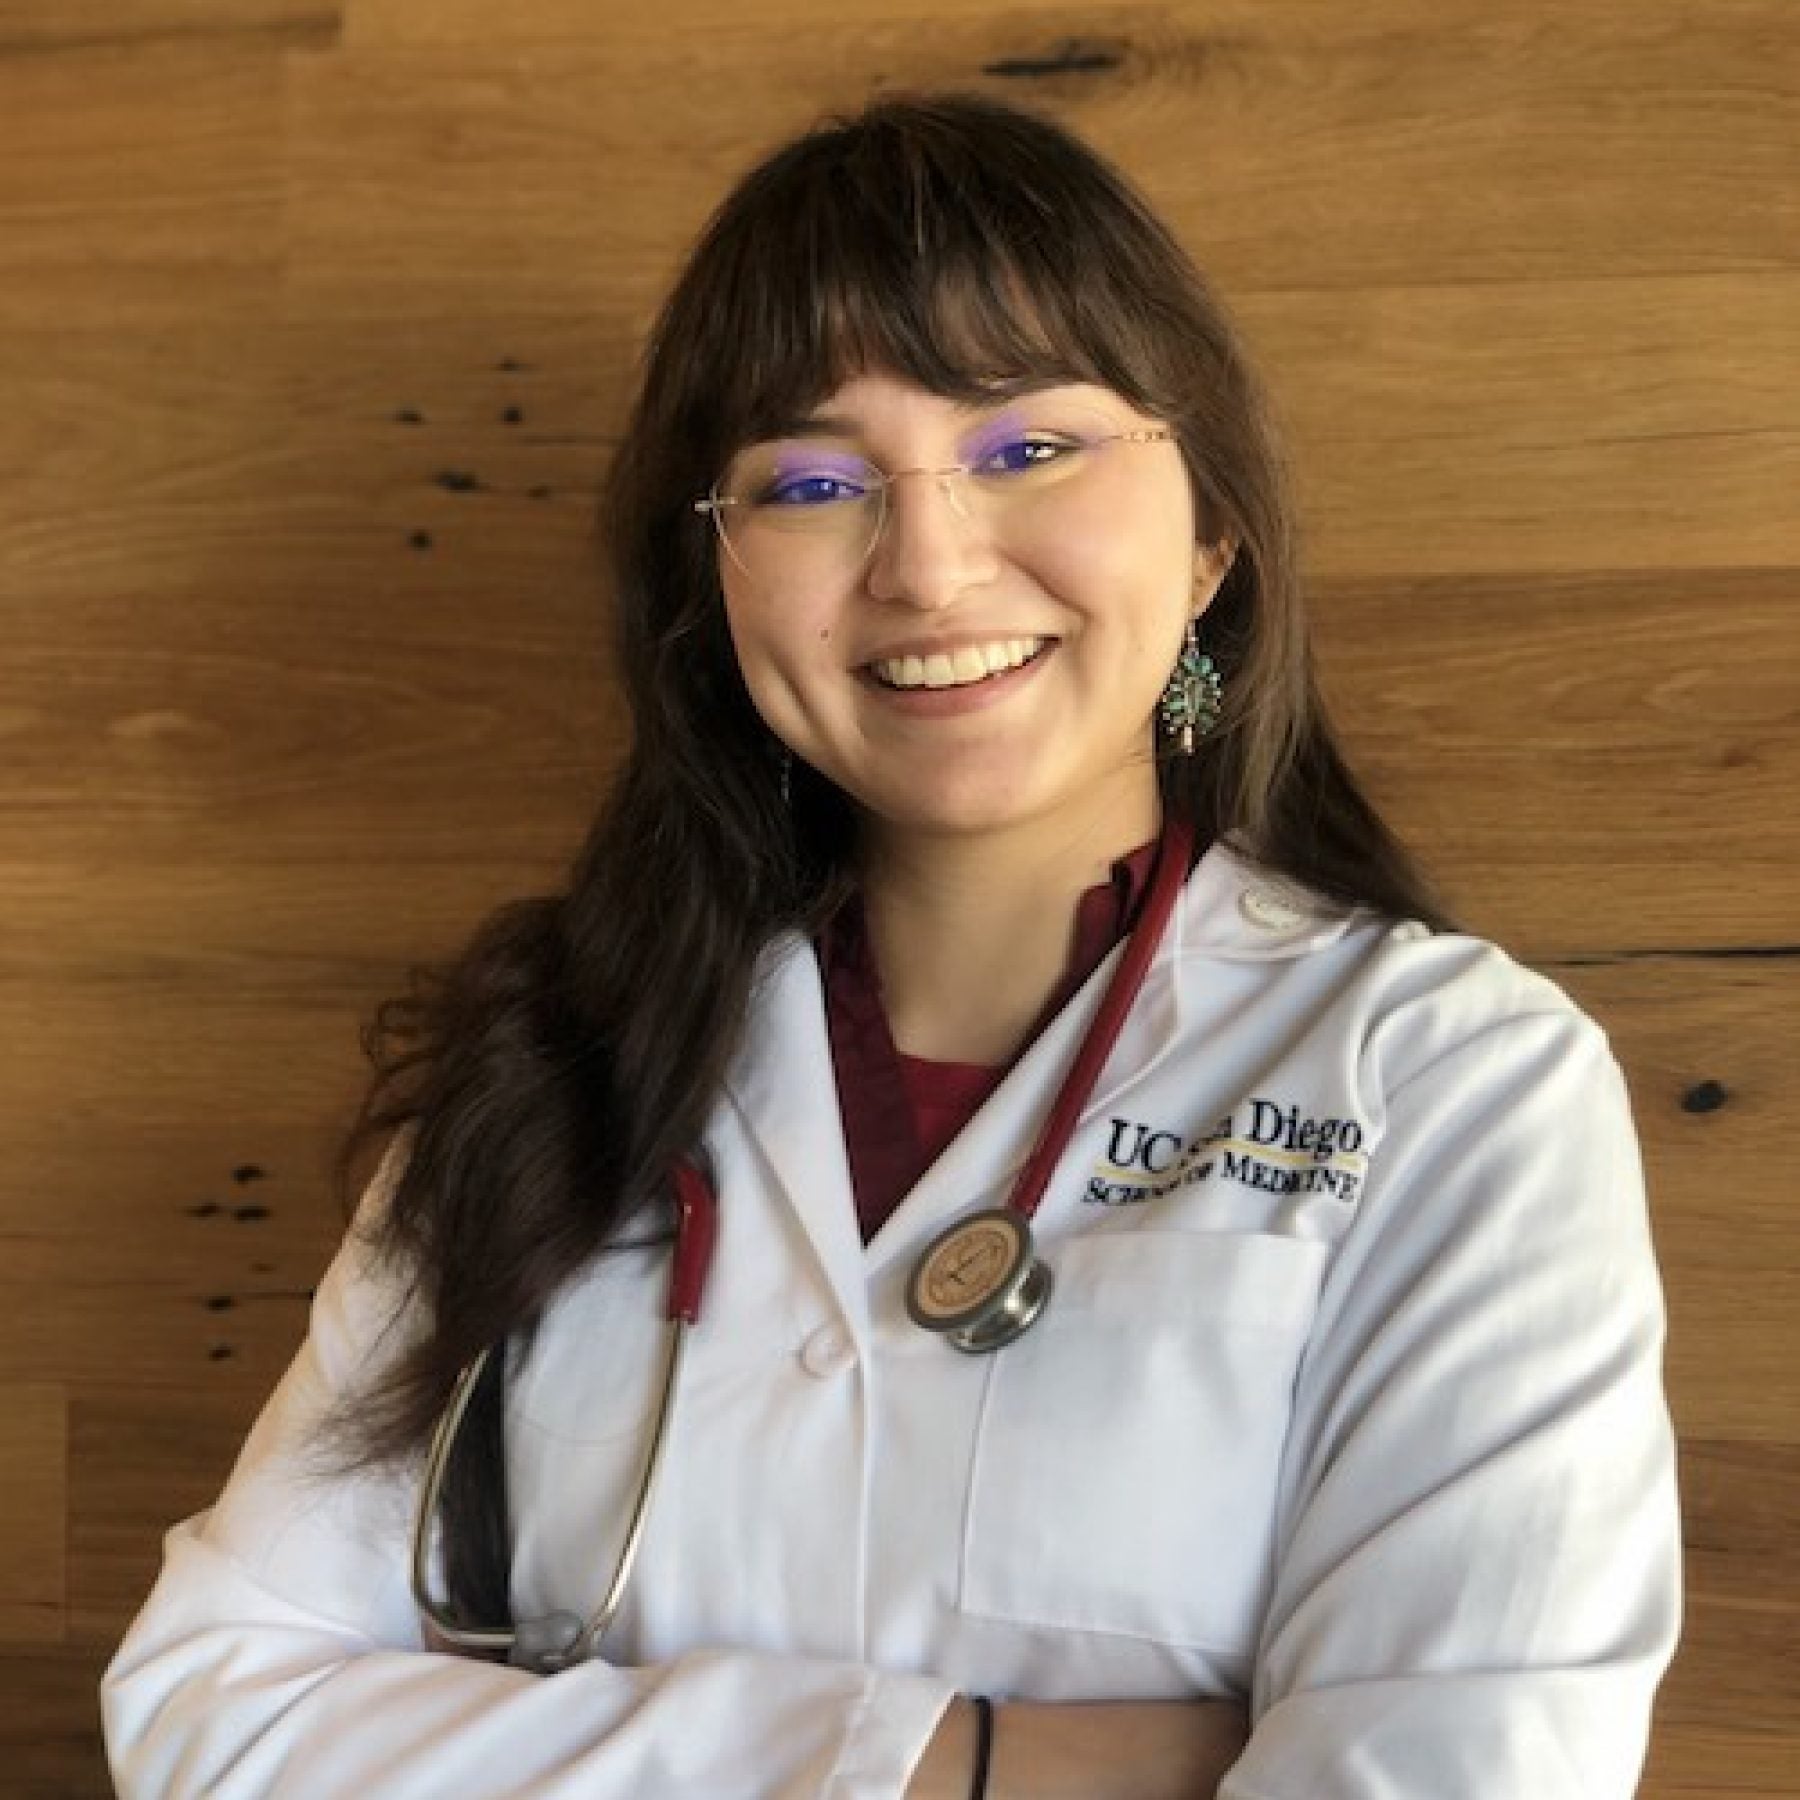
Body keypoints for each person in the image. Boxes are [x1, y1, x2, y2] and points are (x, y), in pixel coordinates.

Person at [100, 90, 1681, 1798]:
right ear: (716, 584)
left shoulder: (1448, 1084)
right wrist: (962, 1762)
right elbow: (212, 1716)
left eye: (1029, 447)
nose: (927, 562)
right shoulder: (549, 1063)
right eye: (813, 479)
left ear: (1212, 535)